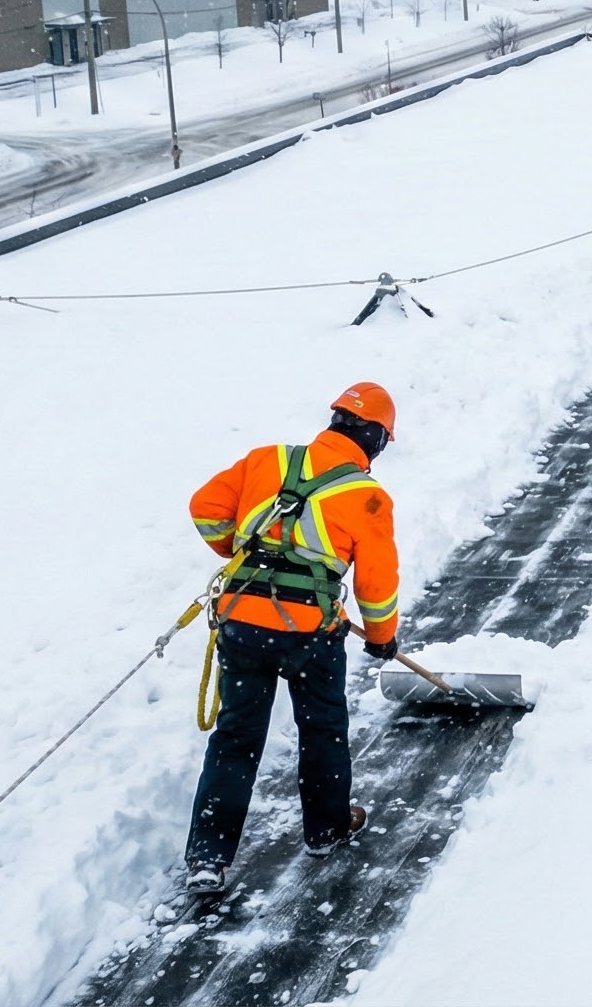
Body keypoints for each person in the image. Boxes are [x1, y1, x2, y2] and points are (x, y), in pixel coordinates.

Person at [181, 382, 404, 894]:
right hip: (311, 634)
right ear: (373, 436)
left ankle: (209, 859)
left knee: (236, 737)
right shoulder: (366, 496)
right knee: (322, 729)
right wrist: (380, 638)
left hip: (241, 619)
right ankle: (327, 829)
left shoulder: (267, 460)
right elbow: (376, 583)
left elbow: (204, 508)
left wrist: (239, 554)